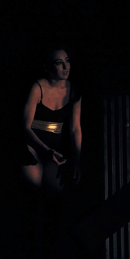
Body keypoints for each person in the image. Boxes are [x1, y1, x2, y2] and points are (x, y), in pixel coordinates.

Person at [23, 47, 82, 191]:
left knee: (56, 190)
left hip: (56, 148)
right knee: (33, 185)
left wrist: (77, 160)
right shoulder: (37, 88)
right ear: (47, 67)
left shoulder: (73, 91)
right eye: (59, 63)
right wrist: (47, 150)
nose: (65, 67)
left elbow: (75, 129)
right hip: (33, 145)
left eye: (67, 61)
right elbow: (25, 127)